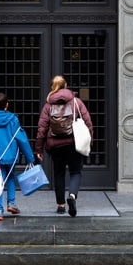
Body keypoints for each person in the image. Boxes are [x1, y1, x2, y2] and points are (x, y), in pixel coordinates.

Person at [34, 75, 93, 217]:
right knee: (75, 172)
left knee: (58, 173)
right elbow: (88, 122)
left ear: (52, 87)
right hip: (73, 143)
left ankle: (61, 205)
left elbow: (42, 129)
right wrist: (89, 142)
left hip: (55, 145)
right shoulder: (76, 102)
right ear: (65, 86)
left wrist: (38, 149)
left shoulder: (48, 105)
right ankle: (72, 196)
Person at [0, 92, 34, 221]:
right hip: (10, 155)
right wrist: (30, 158)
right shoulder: (13, 119)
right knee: (10, 178)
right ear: (7, 105)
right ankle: (11, 203)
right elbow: (21, 138)